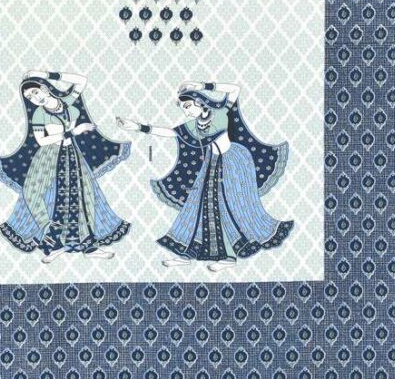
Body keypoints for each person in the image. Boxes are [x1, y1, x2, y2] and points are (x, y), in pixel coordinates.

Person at [117, 80, 292, 267]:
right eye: (183, 109)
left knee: (229, 208)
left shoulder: (220, 113)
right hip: (213, 163)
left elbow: (235, 89)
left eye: (188, 107)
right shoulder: (195, 125)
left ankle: (229, 257)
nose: (186, 112)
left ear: (199, 102)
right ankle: (186, 254)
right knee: (197, 206)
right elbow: (172, 132)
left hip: (234, 163)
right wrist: (139, 127)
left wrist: (202, 86)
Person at [0, 71, 130, 263]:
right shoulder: (39, 114)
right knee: (42, 196)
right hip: (48, 158)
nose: (34, 99)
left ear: (44, 88)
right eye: (29, 98)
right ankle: (53, 245)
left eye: (35, 92)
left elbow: (82, 81)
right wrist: (73, 132)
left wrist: (43, 73)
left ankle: (89, 246)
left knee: (82, 196)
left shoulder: (65, 102)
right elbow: (42, 141)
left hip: (72, 155)